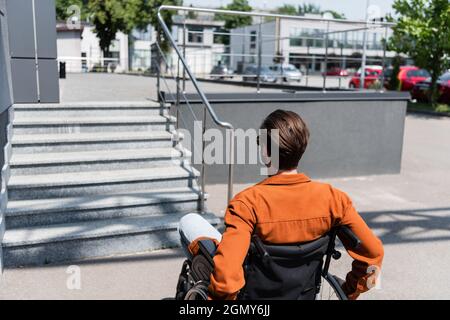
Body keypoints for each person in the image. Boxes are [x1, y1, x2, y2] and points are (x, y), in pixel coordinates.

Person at [178, 109, 384, 300]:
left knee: (189, 221)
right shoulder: (335, 199)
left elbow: (226, 282)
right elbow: (373, 254)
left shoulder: (246, 203)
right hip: (304, 292)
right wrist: (349, 291)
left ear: (267, 151)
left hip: (253, 295)